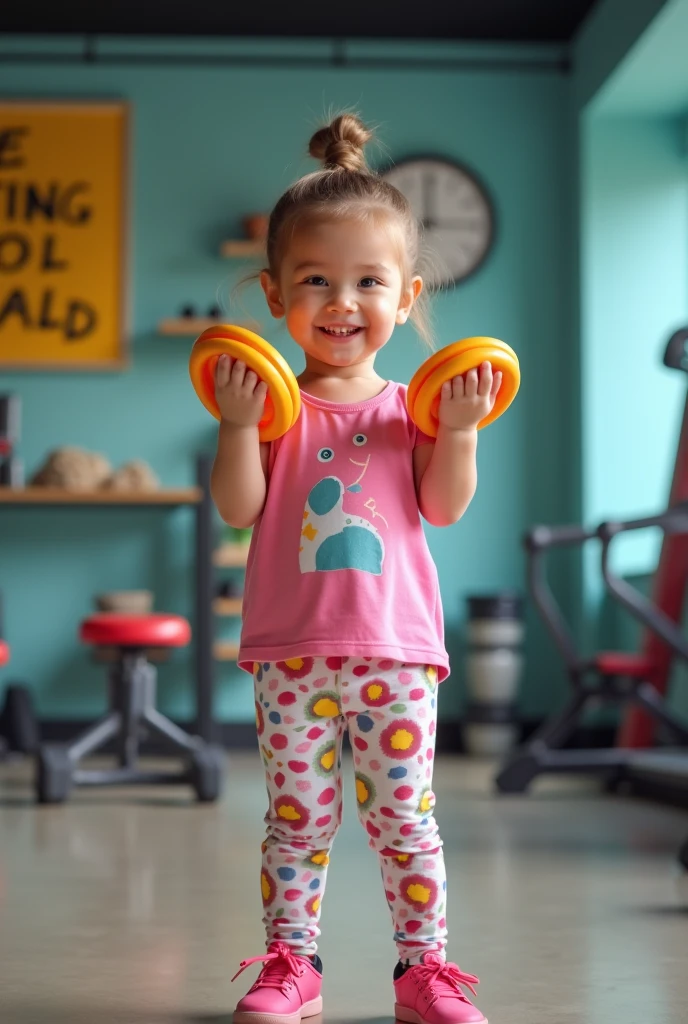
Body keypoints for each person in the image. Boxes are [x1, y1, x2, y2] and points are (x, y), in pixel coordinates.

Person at [211, 112, 502, 1024]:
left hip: (396, 656)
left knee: (405, 823)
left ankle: (425, 973)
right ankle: (291, 967)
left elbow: (444, 506)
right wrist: (232, 422)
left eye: (368, 281)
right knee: (296, 824)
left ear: (407, 294)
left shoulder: (416, 405)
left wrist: (457, 430)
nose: (342, 300)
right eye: (315, 280)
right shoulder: (274, 405)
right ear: (273, 294)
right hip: (291, 656)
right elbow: (239, 507)